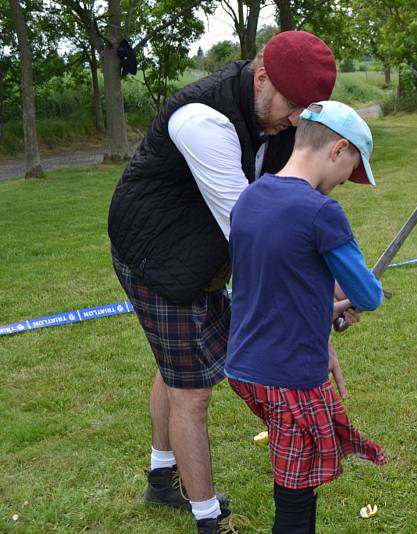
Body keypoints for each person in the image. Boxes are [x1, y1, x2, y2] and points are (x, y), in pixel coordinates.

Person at [107, 31, 347, 532]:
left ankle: (159, 476)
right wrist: (311, 319)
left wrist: (328, 292)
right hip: (157, 255)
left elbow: (294, 214)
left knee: (175, 368)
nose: (299, 120)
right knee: (191, 391)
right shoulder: (202, 120)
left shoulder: (284, 118)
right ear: (262, 78)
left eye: (309, 110)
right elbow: (257, 234)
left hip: (205, 253)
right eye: (294, 106)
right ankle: (207, 519)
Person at [225, 100, 387, 533]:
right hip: (289, 376)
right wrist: (356, 297)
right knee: (295, 493)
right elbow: (368, 295)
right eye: (350, 169)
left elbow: (282, 276)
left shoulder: (251, 196)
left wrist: (330, 305)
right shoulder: (322, 212)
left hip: (245, 368)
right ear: (336, 150)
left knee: (296, 465)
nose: (343, 183)